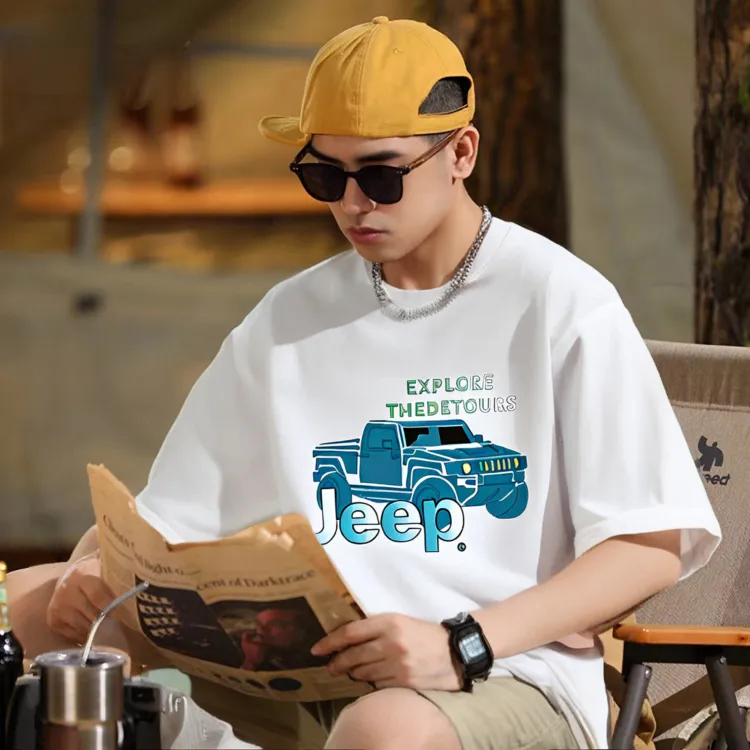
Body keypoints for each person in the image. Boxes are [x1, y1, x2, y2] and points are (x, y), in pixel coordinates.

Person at [39, 15, 721, 750]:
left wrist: (462, 643)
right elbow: (167, 517)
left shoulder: (559, 301)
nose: (353, 202)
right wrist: (90, 569)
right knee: (28, 607)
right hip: (305, 667)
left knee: (385, 727)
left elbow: (649, 543)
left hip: (499, 674)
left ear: (461, 153)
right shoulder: (288, 319)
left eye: (381, 175)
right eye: (324, 175)